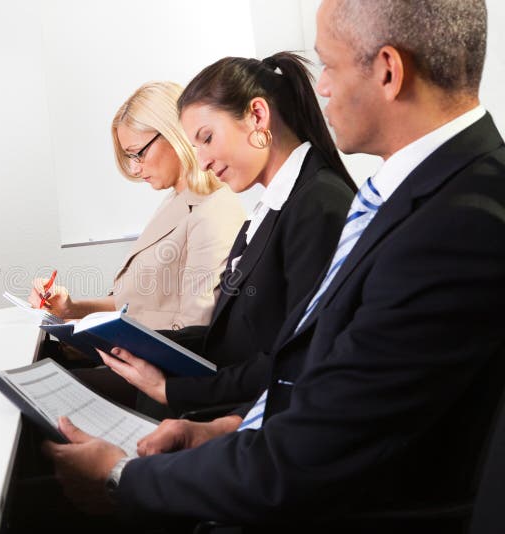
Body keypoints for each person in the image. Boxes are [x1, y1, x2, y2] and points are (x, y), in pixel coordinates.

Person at [44, 0, 505, 530]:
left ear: (387, 70)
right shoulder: (419, 195)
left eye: (328, 66)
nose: (321, 87)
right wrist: (228, 429)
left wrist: (125, 479)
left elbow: (322, 449)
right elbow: (324, 379)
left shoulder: (455, 224)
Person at [98, 53, 356, 419]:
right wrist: (136, 344)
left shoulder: (318, 205)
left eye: (206, 138)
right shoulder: (273, 208)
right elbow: (233, 338)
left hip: (254, 422)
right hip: (232, 403)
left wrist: (171, 389)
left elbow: (297, 365)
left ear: (257, 116)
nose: (200, 160)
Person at [28, 82, 245, 331]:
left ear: (174, 134)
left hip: (158, 367)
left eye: (138, 153)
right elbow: (133, 306)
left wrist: (103, 340)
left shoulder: (213, 210)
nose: (134, 168)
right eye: (130, 157)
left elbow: (195, 330)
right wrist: (70, 309)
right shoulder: (176, 199)